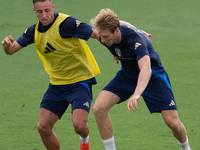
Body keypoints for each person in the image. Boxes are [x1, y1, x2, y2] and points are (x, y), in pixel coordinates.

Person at [2, 0, 101, 149]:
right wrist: (6, 47)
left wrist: (114, 48)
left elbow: (95, 33)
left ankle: (84, 140)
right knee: (43, 128)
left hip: (80, 82)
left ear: (53, 8)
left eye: (47, 10)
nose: (44, 15)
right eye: (40, 12)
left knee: (79, 126)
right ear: (34, 11)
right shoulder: (33, 31)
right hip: (56, 85)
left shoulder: (67, 23)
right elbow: (11, 50)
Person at [90, 8, 191, 150]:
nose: (103, 40)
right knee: (99, 109)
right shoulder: (105, 35)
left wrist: (137, 94)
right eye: (101, 36)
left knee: (173, 123)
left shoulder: (136, 41)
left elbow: (146, 69)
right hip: (127, 76)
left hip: (153, 78)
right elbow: (117, 24)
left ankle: (186, 148)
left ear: (117, 31)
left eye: (106, 37)